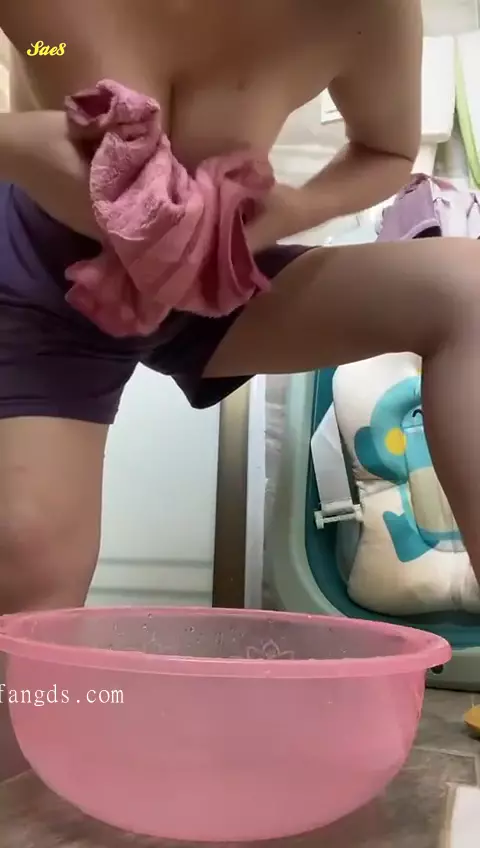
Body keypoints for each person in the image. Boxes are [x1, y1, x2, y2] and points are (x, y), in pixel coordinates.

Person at [0, 0, 479, 775]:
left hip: (216, 273)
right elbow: (43, 49)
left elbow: (385, 148)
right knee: (28, 568)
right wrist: (16, 141)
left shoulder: (360, 12)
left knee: (471, 292)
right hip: (37, 277)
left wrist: (284, 212)